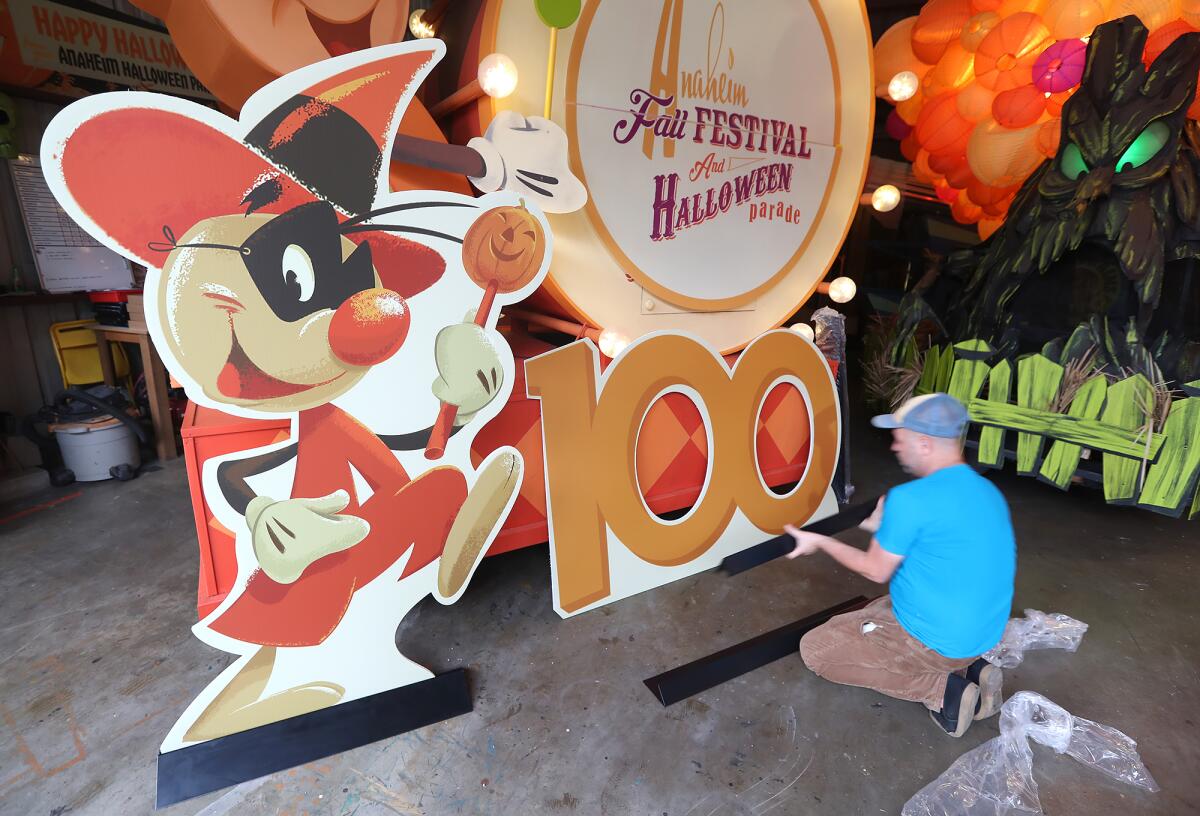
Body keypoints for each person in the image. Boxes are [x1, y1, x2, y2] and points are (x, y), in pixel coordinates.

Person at [783, 393, 1015, 738]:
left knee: (816, 650)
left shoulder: (912, 499)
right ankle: (973, 667)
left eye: (900, 438)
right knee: (874, 609)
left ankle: (944, 691)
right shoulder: (986, 491)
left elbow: (874, 570)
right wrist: (881, 528)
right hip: (982, 633)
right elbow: (940, 545)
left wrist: (821, 542)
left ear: (923, 443)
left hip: (935, 639)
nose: (894, 446)